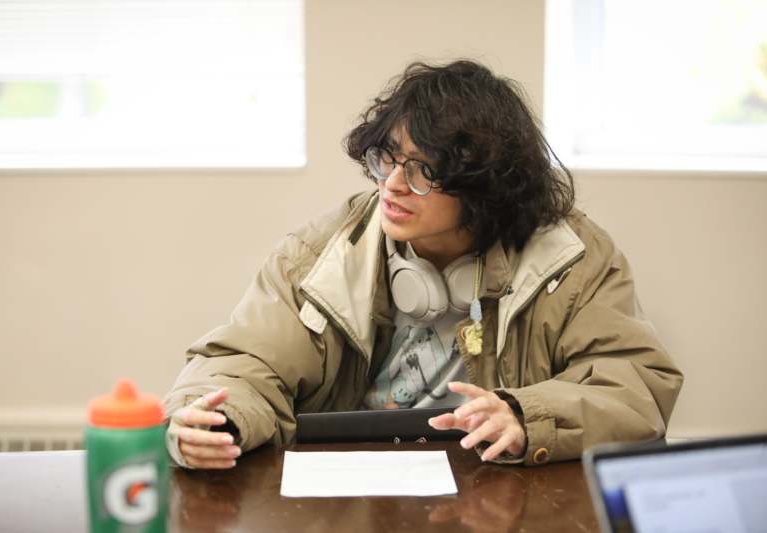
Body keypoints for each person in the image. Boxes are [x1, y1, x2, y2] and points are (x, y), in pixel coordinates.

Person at [162, 60, 683, 469]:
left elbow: (633, 385)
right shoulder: (320, 254)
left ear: (485, 187)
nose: (391, 183)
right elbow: (244, 364)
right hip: (352, 493)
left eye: (423, 171)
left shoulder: (572, 259)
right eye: (387, 158)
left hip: (499, 490)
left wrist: (529, 416)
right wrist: (218, 420)